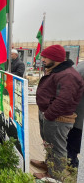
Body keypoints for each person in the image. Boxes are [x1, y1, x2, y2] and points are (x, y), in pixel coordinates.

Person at [30, 45, 84, 180]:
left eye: (45, 57)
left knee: (57, 148)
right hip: (51, 116)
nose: (43, 60)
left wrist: (48, 114)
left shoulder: (68, 75)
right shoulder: (57, 71)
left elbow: (65, 99)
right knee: (49, 143)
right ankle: (49, 165)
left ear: (55, 58)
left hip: (57, 119)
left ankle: (54, 176)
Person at [66, 61, 84, 168]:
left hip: (76, 111)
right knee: (75, 138)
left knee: (73, 138)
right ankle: (72, 162)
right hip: (79, 111)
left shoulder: (81, 64)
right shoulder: (82, 67)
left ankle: (71, 160)